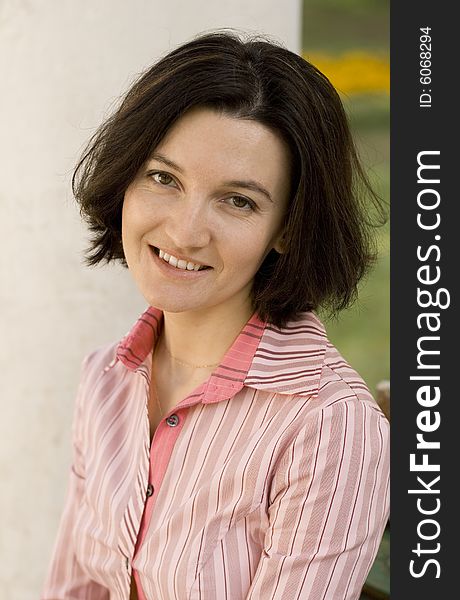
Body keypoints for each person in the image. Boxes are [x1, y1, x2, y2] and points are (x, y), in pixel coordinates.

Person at [41, 30, 389, 600]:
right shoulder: (106, 378)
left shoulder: (327, 426)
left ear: (287, 229)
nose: (184, 231)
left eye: (238, 200)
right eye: (163, 178)